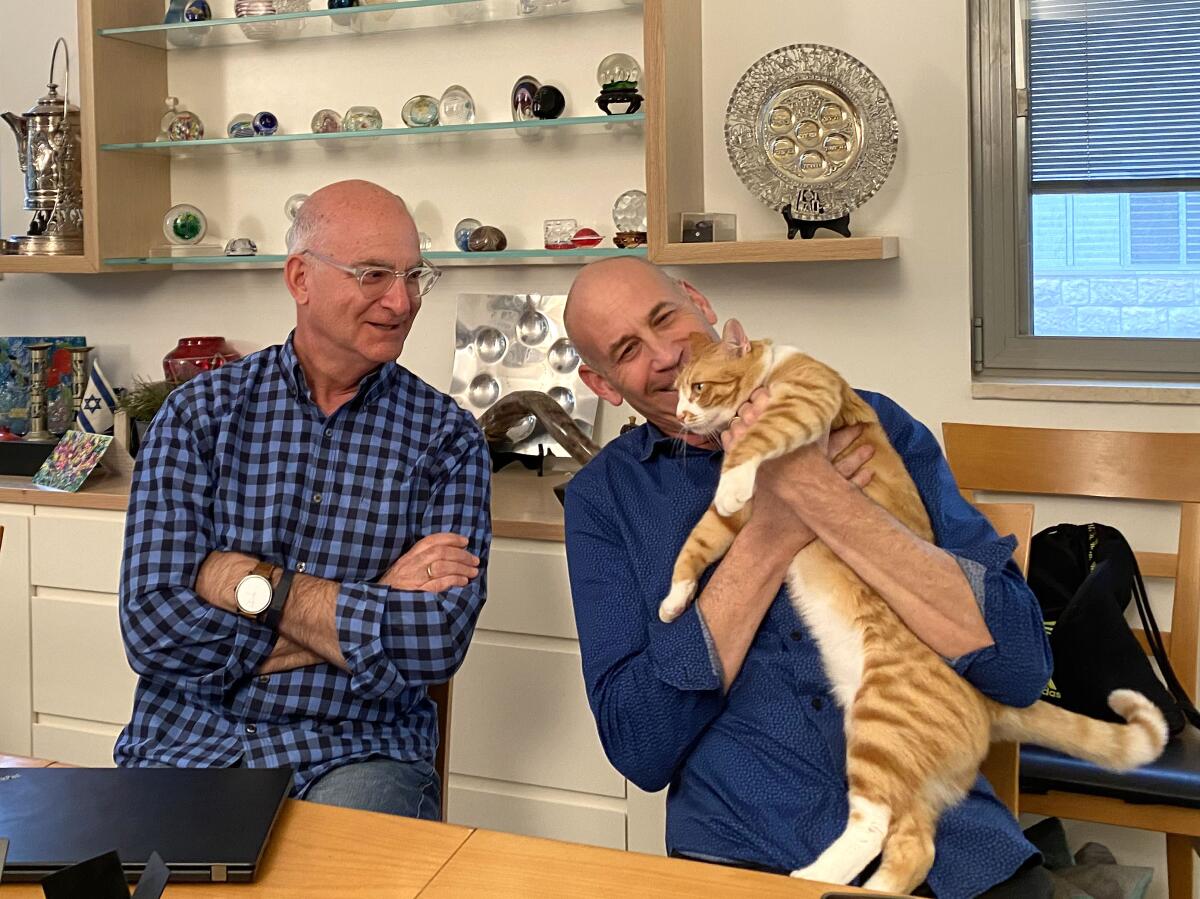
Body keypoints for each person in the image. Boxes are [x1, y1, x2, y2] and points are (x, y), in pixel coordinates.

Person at [561, 257, 1054, 898]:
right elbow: (640, 744)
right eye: (628, 349)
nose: (667, 354)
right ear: (602, 384)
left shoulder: (873, 425)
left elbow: (1018, 665)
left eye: (666, 318)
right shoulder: (606, 500)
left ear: (698, 301)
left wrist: (823, 495)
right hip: (745, 850)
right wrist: (772, 529)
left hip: (949, 851)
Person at [116, 180, 491, 820]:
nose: (400, 301)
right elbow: (153, 630)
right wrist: (371, 596)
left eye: (413, 276)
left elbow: (433, 643)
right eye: (373, 275)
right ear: (300, 278)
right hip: (185, 745)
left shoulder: (447, 439)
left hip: (357, 755)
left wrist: (249, 584)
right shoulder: (197, 416)